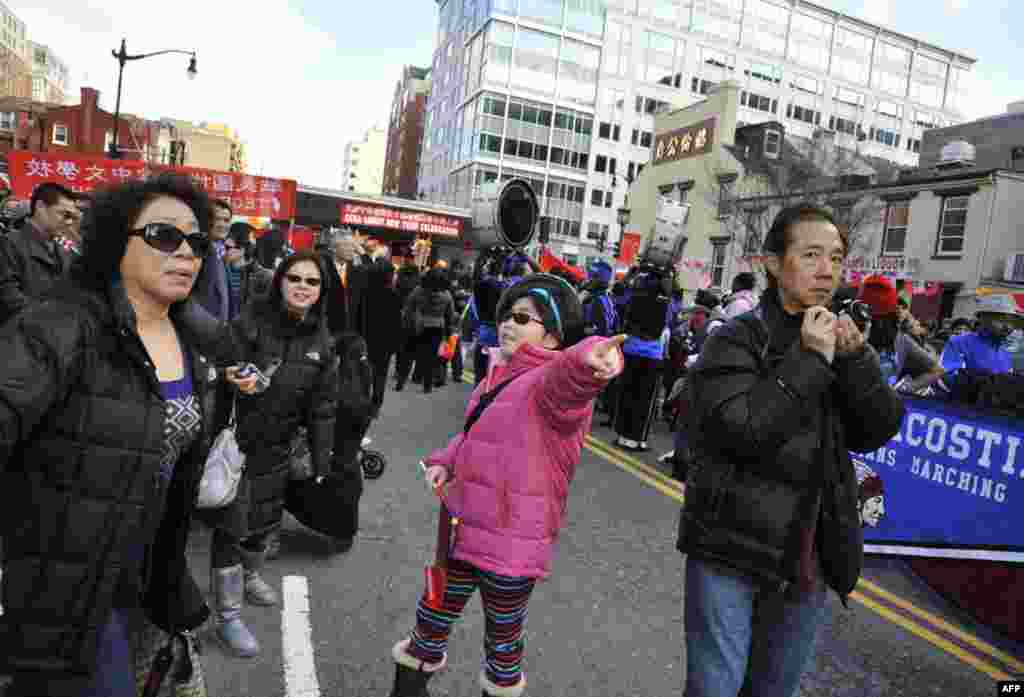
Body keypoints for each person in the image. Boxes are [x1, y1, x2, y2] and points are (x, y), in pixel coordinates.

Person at [0, 175, 224, 696]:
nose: (186, 252)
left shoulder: (192, 338)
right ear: (115, 241)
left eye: (197, 241)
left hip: (141, 584)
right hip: (59, 591)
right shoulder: (60, 326)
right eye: (165, 236)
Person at [678, 203, 905, 697]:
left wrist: (857, 360)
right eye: (811, 255)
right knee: (715, 685)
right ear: (774, 264)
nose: (827, 271)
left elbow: (879, 428)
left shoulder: (839, 340)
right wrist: (807, 359)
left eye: (837, 258)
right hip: (730, 549)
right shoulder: (738, 338)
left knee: (774, 688)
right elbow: (744, 430)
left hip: (807, 554)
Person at [386, 274, 625, 697]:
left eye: (523, 317)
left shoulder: (550, 383)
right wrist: (445, 461)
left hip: (511, 548)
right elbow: (477, 434)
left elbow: (572, 377)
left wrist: (591, 359)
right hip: (460, 534)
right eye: (506, 315)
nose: (508, 324)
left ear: (553, 335)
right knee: (430, 621)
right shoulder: (496, 375)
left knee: (502, 649)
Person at [202, 249, 338, 658]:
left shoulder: (322, 341)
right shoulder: (252, 322)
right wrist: (231, 374)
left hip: (280, 450)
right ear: (280, 281)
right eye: (294, 278)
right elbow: (222, 360)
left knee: (263, 525)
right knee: (230, 529)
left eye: (312, 282)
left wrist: (321, 460)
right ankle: (227, 616)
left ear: (321, 291)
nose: (302, 287)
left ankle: (248, 574)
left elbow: (323, 407)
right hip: (238, 445)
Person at [0, 181, 76, 325]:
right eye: (64, 214)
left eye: (72, 216)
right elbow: (9, 298)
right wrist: (54, 320)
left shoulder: (65, 252)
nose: (69, 222)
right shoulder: (8, 245)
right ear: (40, 207)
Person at [613, 266, 671, 452]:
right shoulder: (665, 299)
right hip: (652, 353)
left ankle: (623, 436)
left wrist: (632, 275)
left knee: (627, 393)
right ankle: (639, 439)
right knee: (645, 399)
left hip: (631, 348)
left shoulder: (636, 292)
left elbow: (621, 300)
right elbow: (670, 320)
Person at [858, 274, 944, 395]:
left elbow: (937, 370)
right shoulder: (845, 333)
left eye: (878, 319)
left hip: (882, 409)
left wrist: (905, 388)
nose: (871, 323)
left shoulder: (900, 339)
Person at [940, 294, 1023, 387]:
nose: (1008, 326)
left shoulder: (1005, 352)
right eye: (1001, 320)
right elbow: (947, 377)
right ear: (983, 318)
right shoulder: (959, 343)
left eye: (1012, 321)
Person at [400, 266, 455, 394]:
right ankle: (427, 386)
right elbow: (449, 315)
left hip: (417, 326)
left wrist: (406, 324)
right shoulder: (446, 295)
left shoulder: (419, 290)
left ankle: (400, 382)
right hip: (436, 328)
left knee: (408, 355)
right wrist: (448, 333)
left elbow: (409, 307)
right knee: (430, 358)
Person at [193, 198, 233, 322]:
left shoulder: (222, 252)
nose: (222, 225)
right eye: (217, 219)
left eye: (226, 220)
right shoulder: (196, 250)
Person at [225, 221, 274, 320]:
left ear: (243, 248)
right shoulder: (220, 270)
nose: (224, 250)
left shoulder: (265, 277)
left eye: (228, 248)